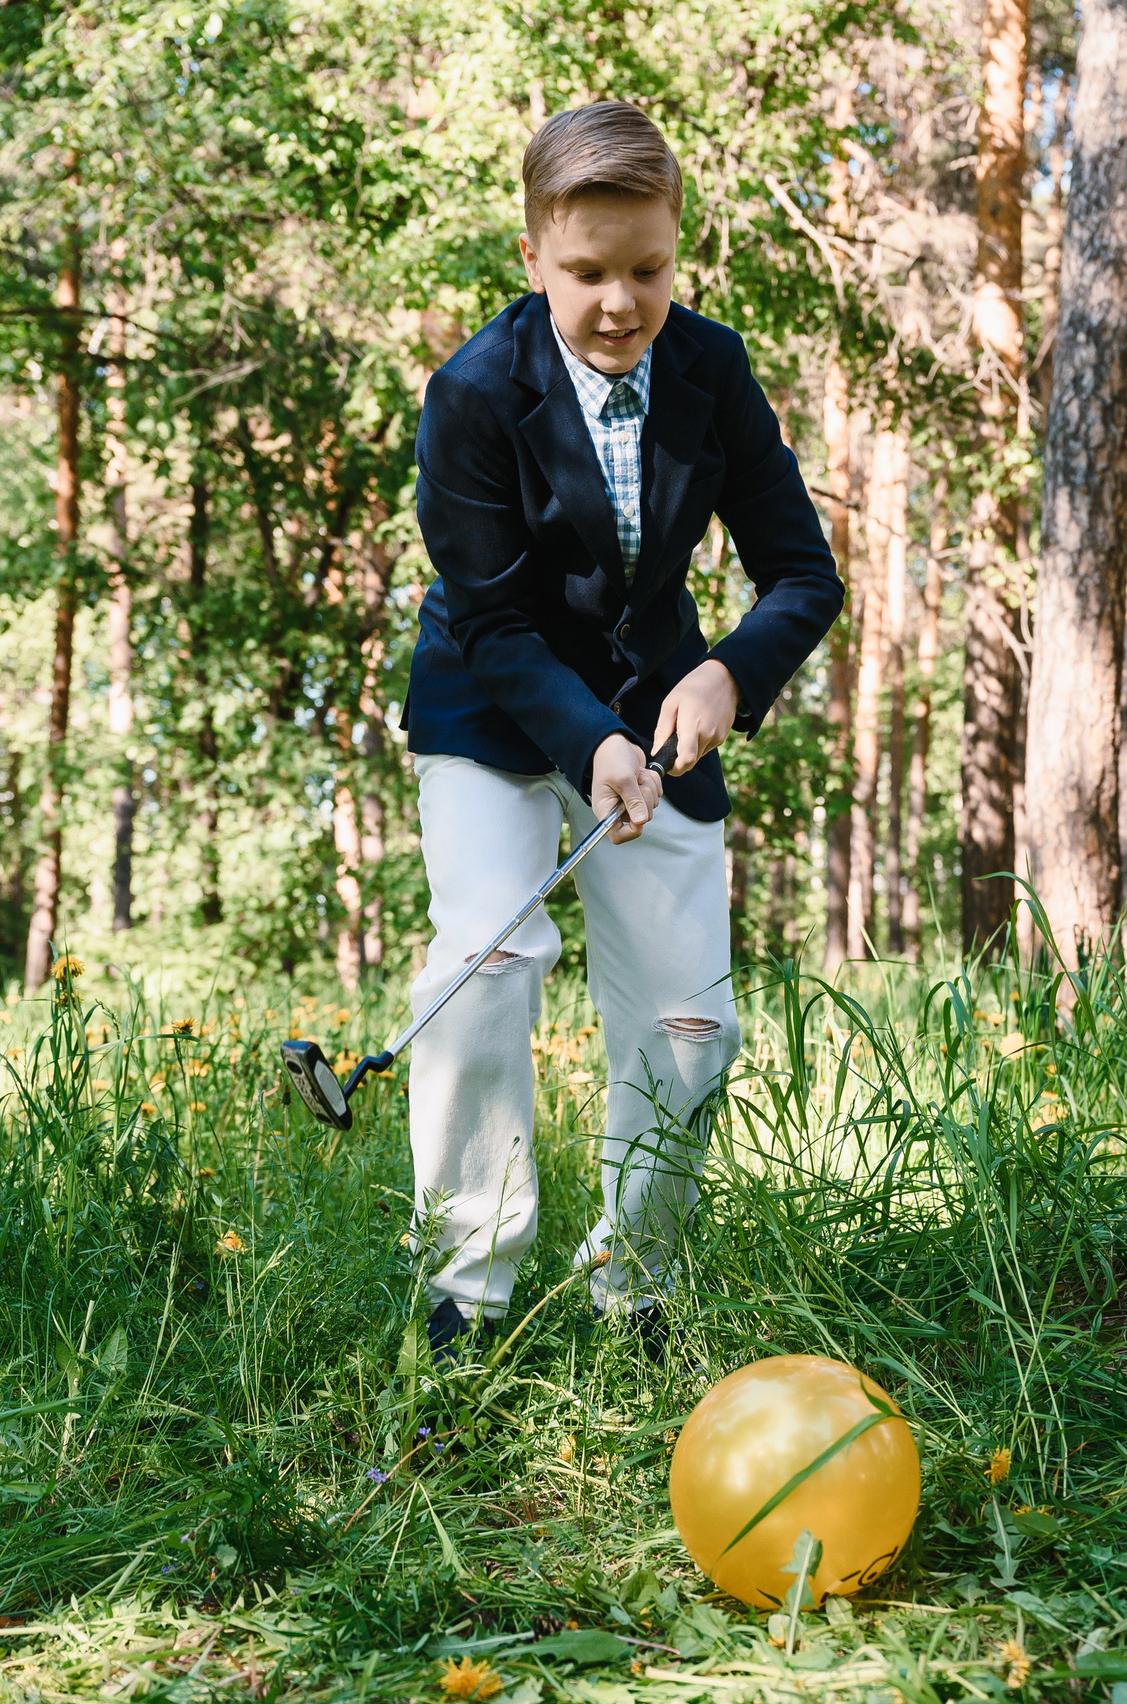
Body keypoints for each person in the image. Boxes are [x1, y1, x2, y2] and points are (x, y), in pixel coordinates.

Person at [402, 100, 844, 1365]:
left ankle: (636, 1288)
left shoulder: (713, 368)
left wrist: (722, 678)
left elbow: (801, 576)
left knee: (691, 1027)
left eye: (645, 268)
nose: (617, 300)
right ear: (534, 255)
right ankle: (467, 1297)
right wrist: (589, 741)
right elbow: (488, 619)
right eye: (587, 271)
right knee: (486, 962)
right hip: (492, 710)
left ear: (676, 247)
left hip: (664, 717)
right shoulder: (474, 394)